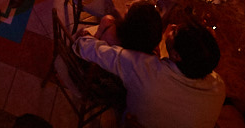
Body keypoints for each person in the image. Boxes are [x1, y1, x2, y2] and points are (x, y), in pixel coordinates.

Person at [75, 19, 226, 128]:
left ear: (176, 55)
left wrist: (82, 39)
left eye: (174, 32)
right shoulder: (218, 86)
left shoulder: (144, 69)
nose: (171, 26)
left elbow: (100, 53)